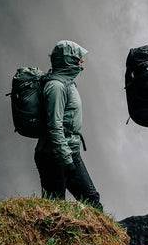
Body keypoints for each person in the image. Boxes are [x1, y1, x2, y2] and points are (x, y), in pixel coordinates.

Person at [34, 40, 102, 210]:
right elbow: (54, 127)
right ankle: (52, 237)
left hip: (69, 151)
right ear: (68, 60)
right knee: (55, 209)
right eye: (79, 57)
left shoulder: (66, 83)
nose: (82, 60)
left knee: (91, 199)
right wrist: (66, 160)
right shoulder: (55, 86)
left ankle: (95, 236)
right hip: (54, 156)